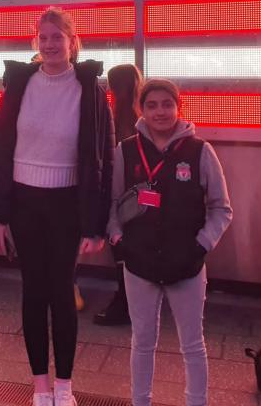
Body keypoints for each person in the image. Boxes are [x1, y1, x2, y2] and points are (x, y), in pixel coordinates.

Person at [0, 7, 114, 406]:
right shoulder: (20, 85)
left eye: (57, 37)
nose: (49, 44)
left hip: (66, 203)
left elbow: (104, 158)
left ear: (72, 42)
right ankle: (40, 384)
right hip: (25, 201)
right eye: (42, 38)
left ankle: (65, 385)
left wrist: (95, 223)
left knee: (61, 290)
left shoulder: (90, 89)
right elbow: (0, 149)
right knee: (33, 290)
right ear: (35, 43)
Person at [108, 79, 232, 406]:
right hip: (139, 263)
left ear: (179, 107)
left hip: (187, 264)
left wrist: (201, 245)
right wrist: (119, 238)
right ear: (141, 110)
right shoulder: (126, 151)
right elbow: (113, 201)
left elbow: (221, 208)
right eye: (152, 105)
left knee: (193, 345)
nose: (160, 111)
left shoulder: (200, 152)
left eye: (166, 104)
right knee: (142, 343)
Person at [94, 64, 143, 326]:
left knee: (121, 254)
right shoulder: (142, 115)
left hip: (120, 200)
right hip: (141, 201)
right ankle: (132, 303)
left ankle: (123, 304)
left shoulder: (117, 118)